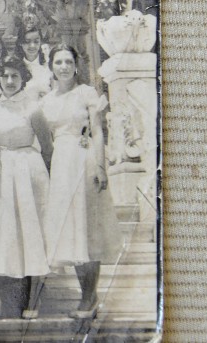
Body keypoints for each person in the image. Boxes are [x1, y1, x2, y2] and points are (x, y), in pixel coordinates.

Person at [39, 45, 121, 319]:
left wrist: (101, 167)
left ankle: (89, 296)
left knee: (87, 227)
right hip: (60, 165)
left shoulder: (86, 93)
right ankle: (86, 295)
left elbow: (97, 131)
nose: (63, 67)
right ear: (51, 66)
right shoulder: (46, 101)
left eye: (68, 62)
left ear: (76, 65)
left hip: (84, 159)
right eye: (58, 62)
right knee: (71, 229)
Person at [0, 54, 51, 320]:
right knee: (5, 232)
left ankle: (34, 297)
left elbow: (47, 148)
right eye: (5, 75)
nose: (10, 81)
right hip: (1, 170)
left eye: (15, 75)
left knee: (31, 230)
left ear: (24, 78)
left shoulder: (33, 107)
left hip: (28, 170)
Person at [17, 22, 53, 100]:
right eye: (27, 42)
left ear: (40, 42)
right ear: (20, 43)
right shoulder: (16, 66)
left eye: (36, 41)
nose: (32, 46)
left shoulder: (49, 65)